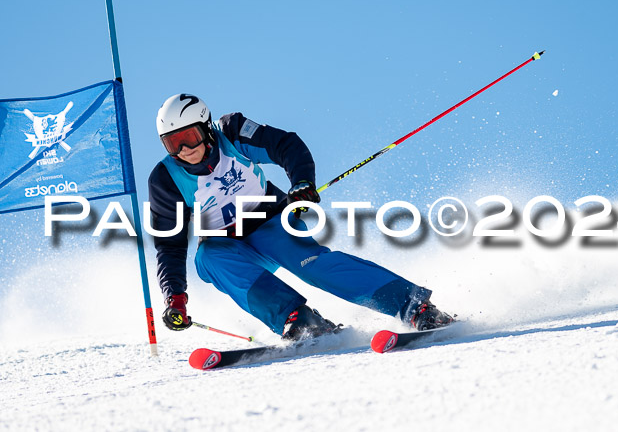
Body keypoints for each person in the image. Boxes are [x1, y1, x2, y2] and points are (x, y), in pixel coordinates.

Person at [149, 93, 454, 340]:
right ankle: (299, 319)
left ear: (205, 127)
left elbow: (284, 146)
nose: (185, 149)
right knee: (207, 259)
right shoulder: (166, 178)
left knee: (312, 266)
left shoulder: (231, 131)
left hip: (272, 224)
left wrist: (302, 182)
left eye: (189, 137)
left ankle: (414, 306)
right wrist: (174, 295)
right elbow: (169, 243)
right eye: (173, 143)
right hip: (229, 246)